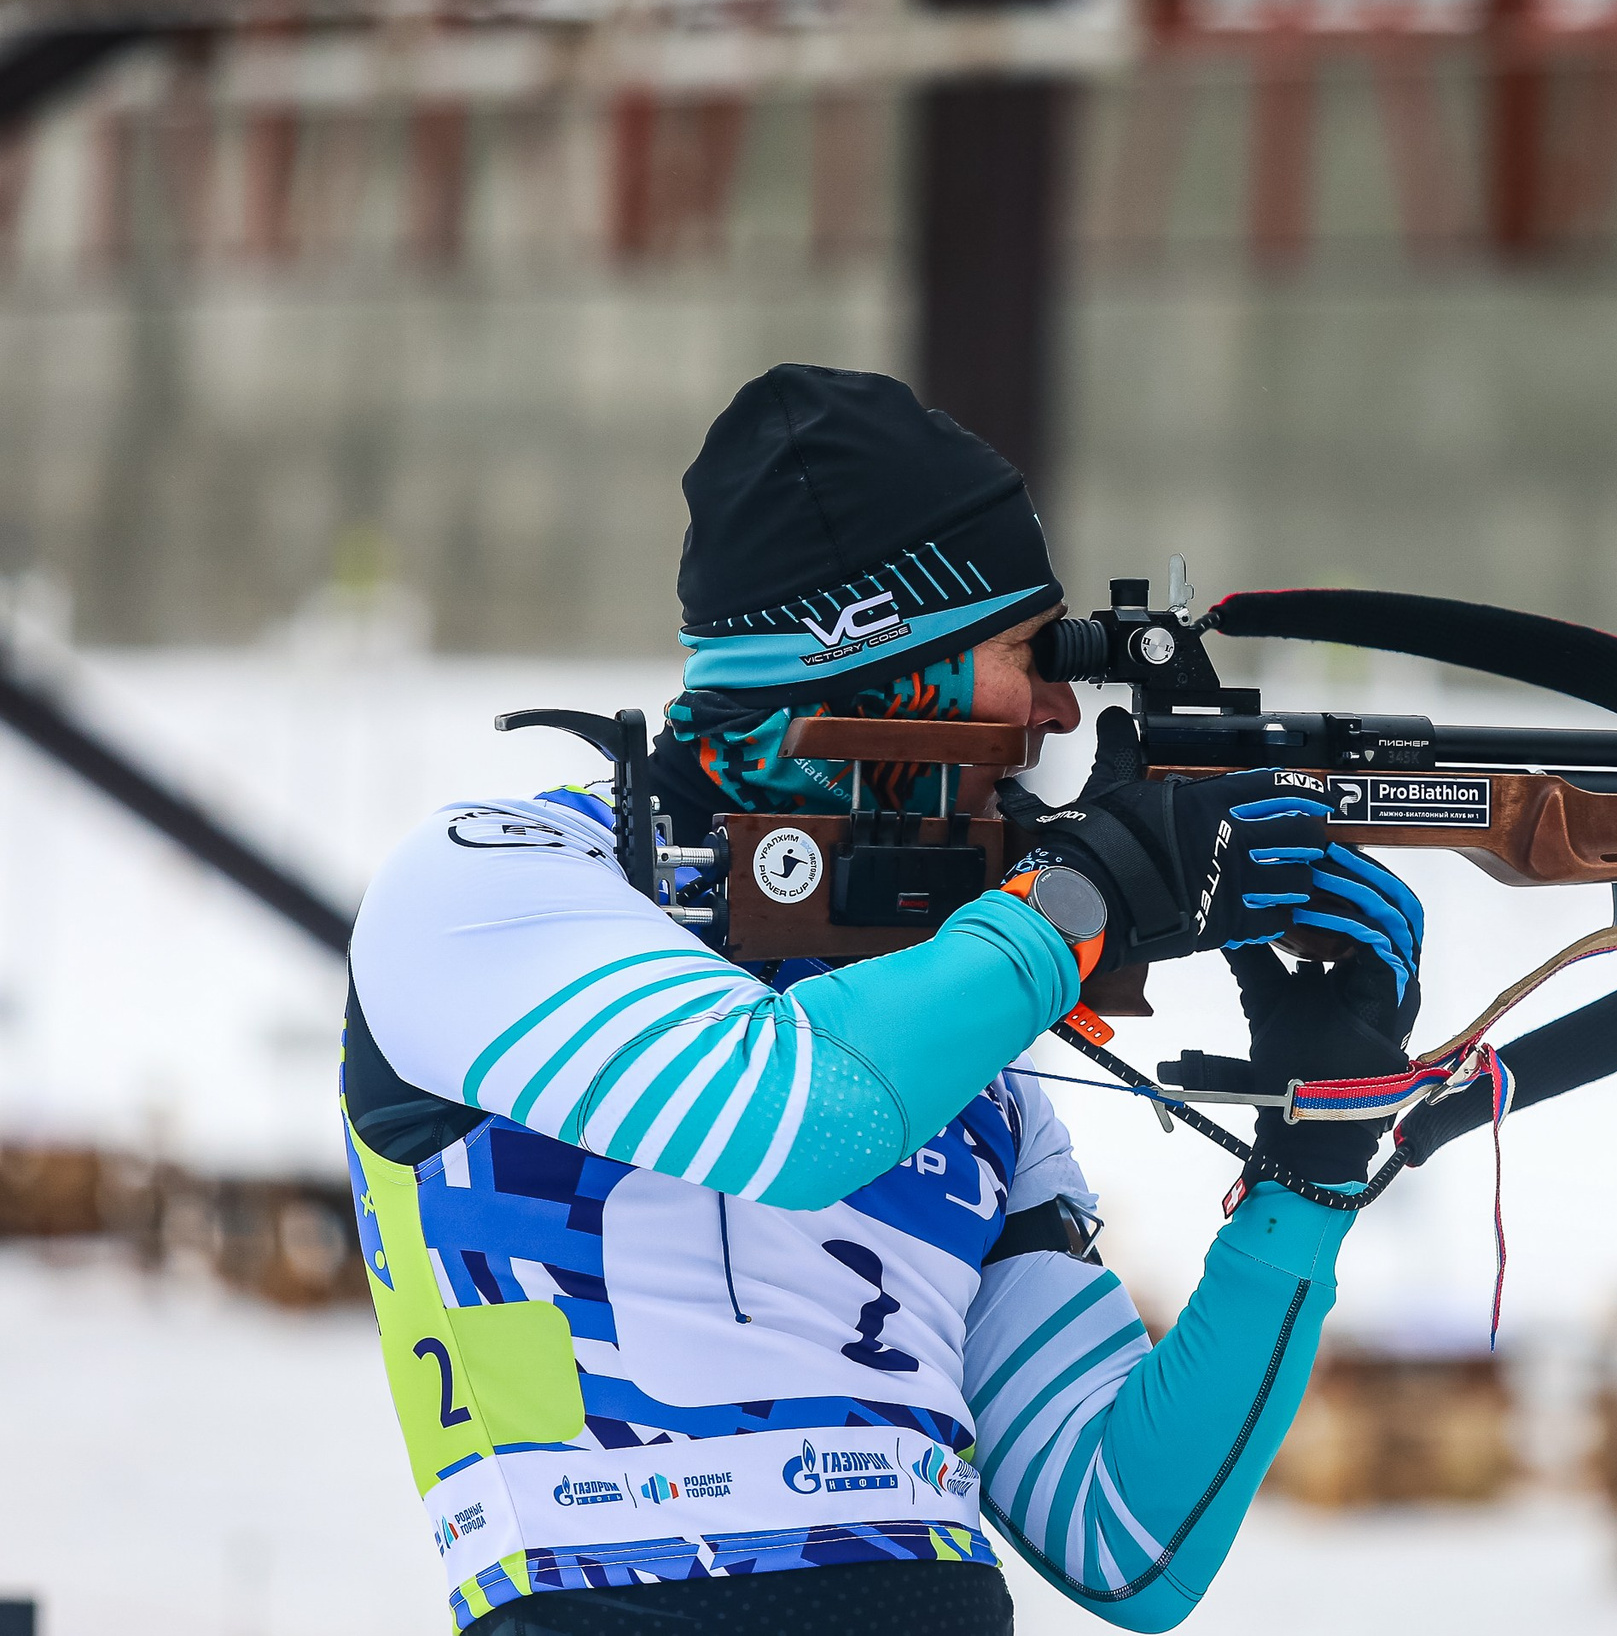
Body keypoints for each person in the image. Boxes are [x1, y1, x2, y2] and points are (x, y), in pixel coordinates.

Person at [340, 366, 1427, 1635]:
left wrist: (1311, 1173)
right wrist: (1087, 897)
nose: (1063, 708)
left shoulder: (968, 1041)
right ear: (887, 663)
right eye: (1028, 652)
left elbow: (1129, 1536)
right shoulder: (492, 878)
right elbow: (797, 1119)